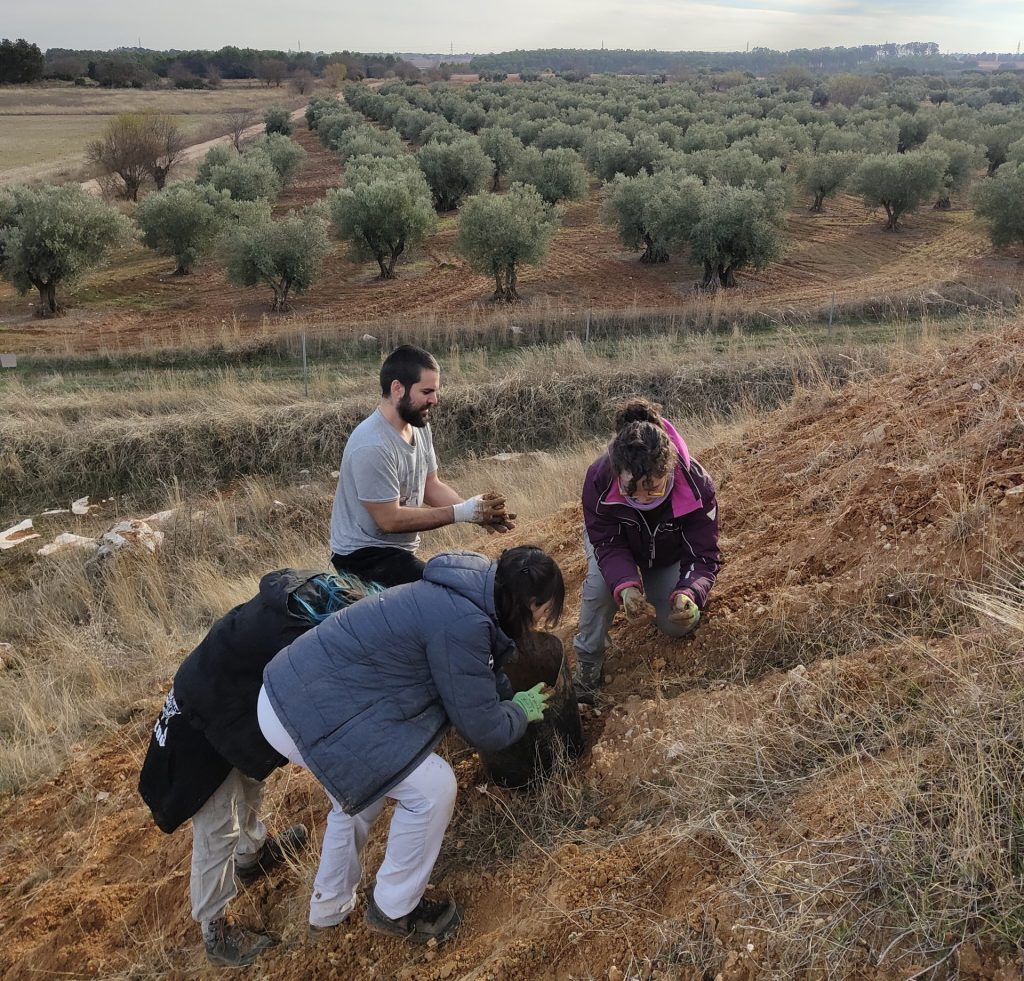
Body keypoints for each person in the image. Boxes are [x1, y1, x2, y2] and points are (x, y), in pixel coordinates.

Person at [257, 545, 565, 946]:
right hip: (309, 711)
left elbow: (478, 669)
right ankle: (394, 908)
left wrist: (503, 693)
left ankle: (328, 909)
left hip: (290, 691)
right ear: (528, 602)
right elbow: (484, 729)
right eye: (545, 611)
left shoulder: (467, 590)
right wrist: (519, 712)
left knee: (362, 794)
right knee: (433, 787)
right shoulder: (464, 623)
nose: (543, 622)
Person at [138, 569, 379, 967]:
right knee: (217, 827)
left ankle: (252, 855)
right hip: (200, 725)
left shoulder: (304, 600)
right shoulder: (300, 641)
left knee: (249, 779)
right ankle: (213, 930)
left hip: (228, 706)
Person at [329, 344, 514, 588]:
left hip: (397, 553)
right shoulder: (372, 445)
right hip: (362, 557)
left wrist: (476, 513)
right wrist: (462, 513)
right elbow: (390, 520)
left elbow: (430, 484)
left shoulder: (419, 425)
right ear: (398, 389)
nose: (434, 400)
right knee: (445, 594)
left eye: (435, 391)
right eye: (427, 391)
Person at [573, 399, 721, 699]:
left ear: (669, 469)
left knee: (677, 624)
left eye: (652, 487)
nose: (641, 498)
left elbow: (703, 555)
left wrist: (689, 593)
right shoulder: (599, 479)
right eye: (631, 489)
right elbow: (606, 540)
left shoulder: (696, 486)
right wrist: (626, 586)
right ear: (618, 474)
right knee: (602, 590)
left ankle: (666, 597)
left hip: (667, 553)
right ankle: (589, 661)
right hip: (617, 545)